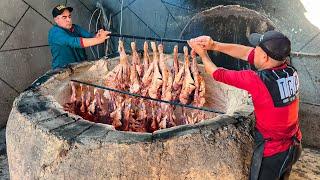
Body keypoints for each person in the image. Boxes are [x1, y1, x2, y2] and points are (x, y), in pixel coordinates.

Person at [188, 30, 302, 180]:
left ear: (264, 57)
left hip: (272, 154)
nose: (253, 51)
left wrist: (203, 54)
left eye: (257, 50)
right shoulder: (289, 71)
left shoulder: (257, 81)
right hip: (294, 144)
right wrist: (213, 45)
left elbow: (216, 73)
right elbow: (247, 52)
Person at [48, 4, 110, 69]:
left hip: (79, 67)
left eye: (69, 16)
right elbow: (74, 42)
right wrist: (99, 40)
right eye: (64, 17)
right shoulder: (55, 33)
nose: (68, 20)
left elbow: (90, 37)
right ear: (56, 20)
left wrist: (98, 35)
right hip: (62, 71)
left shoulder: (75, 28)